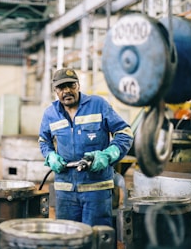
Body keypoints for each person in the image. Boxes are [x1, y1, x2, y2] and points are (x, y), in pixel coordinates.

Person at [38, 68, 134, 227]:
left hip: (96, 190)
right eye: (62, 87)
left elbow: (125, 133)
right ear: (55, 90)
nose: (67, 91)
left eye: (71, 85)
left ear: (78, 86)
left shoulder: (98, 105)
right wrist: (50, 156)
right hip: (65, 191)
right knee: (67, 237)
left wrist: (108, 155)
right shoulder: (50, 113)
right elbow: (43, 140)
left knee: (96, 237)